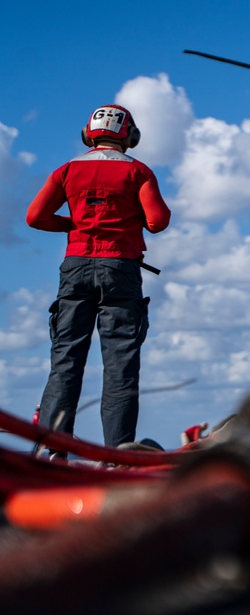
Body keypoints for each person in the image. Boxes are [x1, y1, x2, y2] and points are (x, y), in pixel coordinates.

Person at [26, 104, 171, 447]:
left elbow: (35, 217)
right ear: (130, 136)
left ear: (88, 133)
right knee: (121, 366)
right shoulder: (139, 172)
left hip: (75, 267)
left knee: (65, 362)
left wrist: (73, 224)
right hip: (120, 269)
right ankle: (118, 455)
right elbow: (158, 221)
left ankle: (53, 451)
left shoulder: (67, 170)